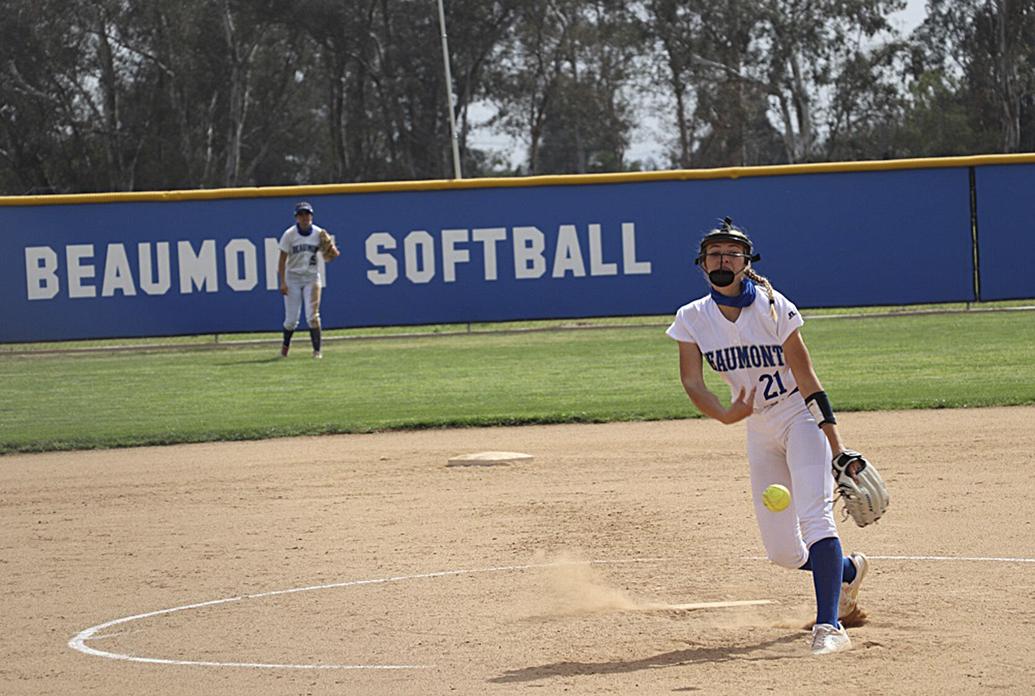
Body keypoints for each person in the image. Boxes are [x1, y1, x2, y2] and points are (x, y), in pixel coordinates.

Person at [665, 217, 869, 656]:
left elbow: (808, 379)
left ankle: (830, 626)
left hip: (800, 418)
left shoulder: (776, 308)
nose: (723, 260)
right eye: (715, 253)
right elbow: (693, 383)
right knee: (782, 552)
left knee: (816, 518)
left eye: (732, 253)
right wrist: (724, 415)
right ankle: (848, 572)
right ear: (701, 264)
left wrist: (837, 446)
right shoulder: (691, 318)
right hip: (758, 428)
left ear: (747, 261)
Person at [277, 201, 337, 359]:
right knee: (291, 320)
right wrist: (282, 281)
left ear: (311, 216)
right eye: (301, 215)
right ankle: (285, 348)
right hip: (293, 278)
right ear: (297, 218)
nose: (305, 217)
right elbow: (282, 260)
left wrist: (331, 250)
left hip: (311, 277)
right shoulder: (289, 235)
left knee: (312, 315)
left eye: (307, 214)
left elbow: (330, 256)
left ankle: (317, 351)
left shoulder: (318, 234)